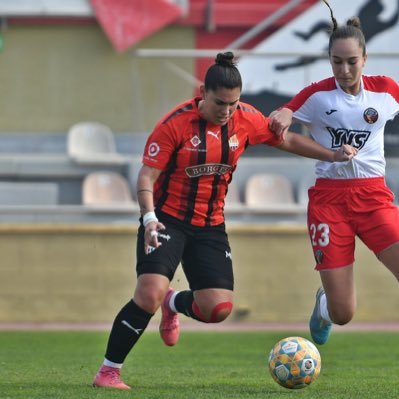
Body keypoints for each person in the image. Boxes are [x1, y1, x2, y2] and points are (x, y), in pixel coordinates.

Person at [92, 51, 356, 390]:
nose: (227, 110)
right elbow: (146, 177)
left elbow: (286, 139)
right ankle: (109, 371)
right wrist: (149, 219)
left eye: (233, 103)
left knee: (217, 309)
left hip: (210, 224)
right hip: (167, 221)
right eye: (220, 103)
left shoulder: (246, 118)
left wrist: (332, 154)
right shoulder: (175, 124)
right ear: (203, 91)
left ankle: (173, 302)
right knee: (147, 293)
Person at [269, 0, 399, 346]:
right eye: (336, 61)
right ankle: (323, 306)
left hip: (374, 198)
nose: (344, 70)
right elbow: (285, 115)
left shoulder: (385, 91)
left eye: (351, 61)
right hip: (330, 202)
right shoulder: (317, 95)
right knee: (343, 313)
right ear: (329, 60)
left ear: (365, 59)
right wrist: (283, 115)